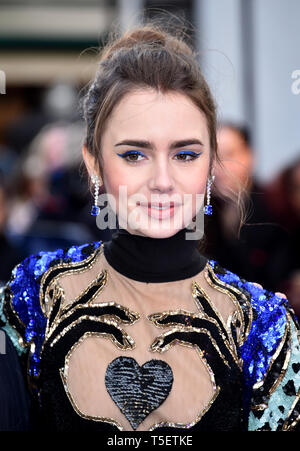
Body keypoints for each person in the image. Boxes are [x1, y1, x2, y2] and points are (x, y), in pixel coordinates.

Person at [0, 23, 299, 432]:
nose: (162, 179)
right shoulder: (32, 301)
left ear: (211, 165)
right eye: (135, 154)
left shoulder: (264, 329)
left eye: (186, 154)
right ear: (94, 164)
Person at [203, 122, 293, 293]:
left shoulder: (276, 207)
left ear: (249, 156)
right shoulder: (199, 211)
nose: (218, 166)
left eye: (228, 154)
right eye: (210, 158)